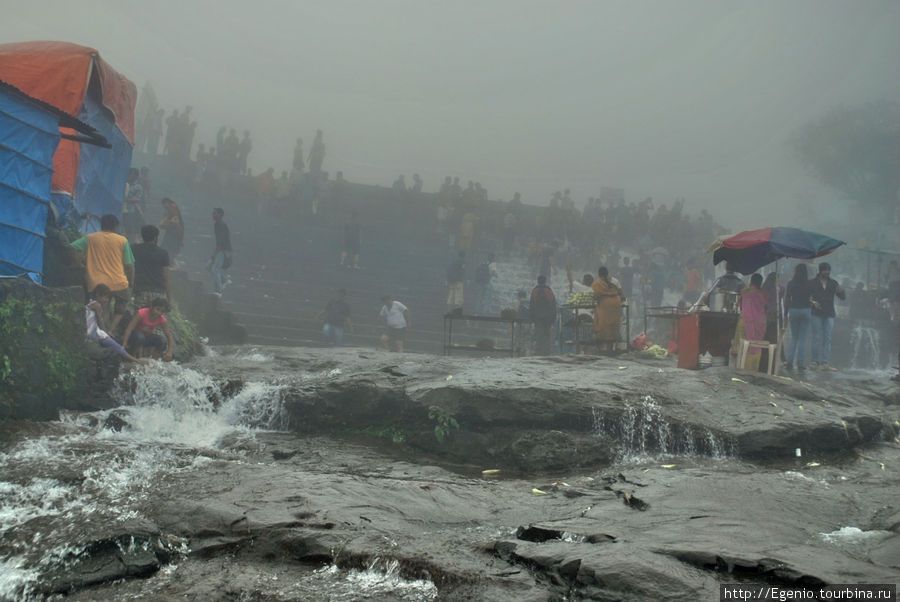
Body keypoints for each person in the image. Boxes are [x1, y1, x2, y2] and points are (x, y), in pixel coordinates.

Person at [70, 214, 134, 335]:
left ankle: (99, 332)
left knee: (100, 310)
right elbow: (129, 266)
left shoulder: (90, 238)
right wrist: (130, 281)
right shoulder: (122, 240)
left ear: (102, 225)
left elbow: (72, 247)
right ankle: (110, 330)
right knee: (121, 307)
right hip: (118, 282)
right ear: (115, 226)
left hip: (97, 283)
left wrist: (79, 265)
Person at [84, 284, 145, 364]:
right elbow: (100, 320)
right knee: (116, 346)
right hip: (94, 333)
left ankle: (132, 360)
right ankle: (136, 360)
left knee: (114, 345)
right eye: (105, 297)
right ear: (98, 295)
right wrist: (105, 333)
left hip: (90, 331)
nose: (106, 300)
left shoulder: (89, 303)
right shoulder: (97, 305)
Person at [809, 262, 845, 371]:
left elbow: (842, 297)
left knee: (827, 338)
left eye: (829, 270)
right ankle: (814, 361)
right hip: (816, 313)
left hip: (829, 313)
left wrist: (842, 292)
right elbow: (806, 296)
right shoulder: (812, 283)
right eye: (825, 270)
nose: (827, 272)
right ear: (820, 271)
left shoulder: (833, 283)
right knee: (816, 337)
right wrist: (813, 302)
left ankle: (825, 363)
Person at [132, 224, 173, 310]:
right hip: (158, 292)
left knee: (138, 318)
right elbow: (166, 277)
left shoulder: (134, 249)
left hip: (140, 290)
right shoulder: (163, 253)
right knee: (154, 320)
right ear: (155, 237)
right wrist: (169, 300)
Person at [733, 273, 768, 370]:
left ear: (751, 281)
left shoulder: (745, 292)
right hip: (758, 325)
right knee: (755, 347)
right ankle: (752, 370)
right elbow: (764, 309)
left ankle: (741, 368)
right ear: (760, 283)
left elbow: (739, 304)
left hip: (744, 323)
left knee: (743, 347)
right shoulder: (762, 295)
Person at [784, 263, 812, 373]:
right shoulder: (809, 284)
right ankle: (800, 364)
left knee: (794, 337)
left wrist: (786, 313)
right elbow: (811, 297)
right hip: (806, 310)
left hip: (794, 310)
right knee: (802, 339)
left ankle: (789, 362)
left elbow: (787, 299)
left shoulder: (791, 283)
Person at [591, 267, 622, 350]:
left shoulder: (597, 283)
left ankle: (601, 349)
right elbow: (621, 293)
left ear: (599, 274)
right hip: (616, 304)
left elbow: (595, 296)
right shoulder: (614, 281)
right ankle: (611, 349)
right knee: (613, 326)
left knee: (603, 327)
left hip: (605, 305)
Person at [530, 275, 557, 355]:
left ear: (538, 281)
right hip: (548, 319)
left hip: (537, 318)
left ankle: (538, 353)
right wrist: (553, 318)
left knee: (538, 336)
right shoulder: (549, 291)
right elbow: (553, 305)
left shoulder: (534, 291)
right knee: (546, 336)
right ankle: (546, 353)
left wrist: (532, 318)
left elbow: (532, 305)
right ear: (545, 281)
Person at [209, 208, 232, 295]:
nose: (213, 215)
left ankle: (218, 290)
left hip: (224, 250)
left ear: (220, 215)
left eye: (214, 213)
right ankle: (225, 280)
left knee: (215, 269)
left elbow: (222, 241)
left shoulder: (221, 225)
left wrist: (215, 253)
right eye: (213, 213)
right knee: (209, 267)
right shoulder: (216, 224)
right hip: (221, 249)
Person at [158, 198, 184, 266]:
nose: (167, 208)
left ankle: (170, 265)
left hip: (174, 236)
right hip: (171, 234)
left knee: (169, 251)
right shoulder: (169, 214)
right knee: (165, 250)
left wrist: (180, 242)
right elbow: (162, 225)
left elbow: (179, 230)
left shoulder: (175, 218)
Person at [122, 168, 144, 242]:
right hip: (120, 210)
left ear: (136, 176)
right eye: (129, 174)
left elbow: (137, 199)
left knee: (129, 229)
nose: (130, 176)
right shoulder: (123, 183)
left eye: (132, 174)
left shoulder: (138, 187)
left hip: (130, 211)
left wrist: (125, 199)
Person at [446, 250, 465, 314]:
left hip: (452, 280)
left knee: (451, 295)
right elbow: (463, 271)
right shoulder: (462, 262)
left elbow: (449, 269)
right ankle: (457, 311)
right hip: (458, 281)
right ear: (464, 256)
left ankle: (448, 310)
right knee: (458, 295)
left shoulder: (454, 261)